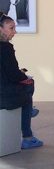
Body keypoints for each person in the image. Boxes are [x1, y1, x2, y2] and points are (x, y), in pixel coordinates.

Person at [0, 15, 42, 149]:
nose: (15, 32)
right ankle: (28, 137)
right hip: (4, 95)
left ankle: (28, 110)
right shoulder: (6, 48)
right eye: (11, 28)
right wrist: (24, 77)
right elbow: (13, 74)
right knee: (28, 88)